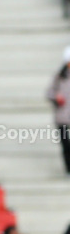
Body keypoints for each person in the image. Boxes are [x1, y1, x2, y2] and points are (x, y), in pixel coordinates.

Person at [45, 46, 70, 175]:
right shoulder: (60, 77)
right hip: (62, 117)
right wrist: (56, 97)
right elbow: (49, 93)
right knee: (66, 145)